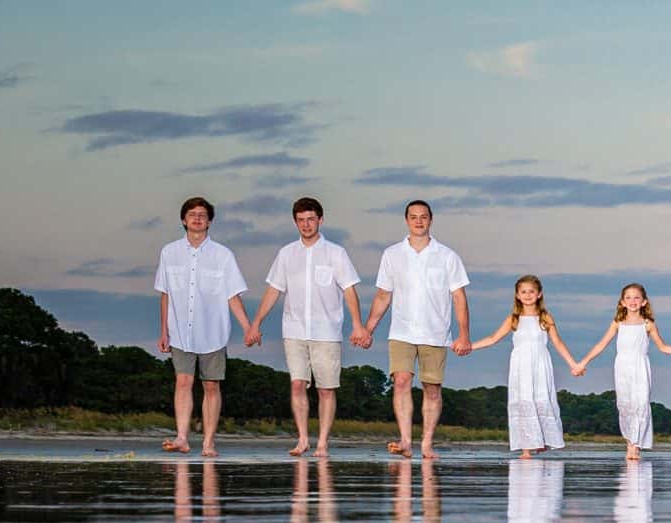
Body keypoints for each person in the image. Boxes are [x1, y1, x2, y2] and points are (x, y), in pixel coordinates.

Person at [246, 197, 363, 457]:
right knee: (297, 384)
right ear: (295, 222)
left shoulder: (335, 253)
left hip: (326, 331)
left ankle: (322, 442)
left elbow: (349, 290)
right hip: (294, 330)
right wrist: (256, 323)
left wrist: (358, 325)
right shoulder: (287, 254)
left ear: (320, 220)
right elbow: (274, 290)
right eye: (301, 220)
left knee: (325, 388)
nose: (306, 225)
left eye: (311, 219)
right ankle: (302, 439)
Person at [359, 200, 471, 459]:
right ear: (406, 220)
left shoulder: (447, 256)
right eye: (413, 216)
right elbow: (383, 295)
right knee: (401, 381)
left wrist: (464, 334)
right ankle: (406, 441)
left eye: (423, 216)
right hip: (401, 332)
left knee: (432, 388)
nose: (418, 221)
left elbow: (459, 298)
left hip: (435, 332)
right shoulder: (392, 254)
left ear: (431, 220)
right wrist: (368, 329)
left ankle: (427, 443)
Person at [152, 196, 250, 457]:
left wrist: (248, 327)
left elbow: (233, 295)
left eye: (202, 215)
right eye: (192, 214)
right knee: (183, 381)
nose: (197, 218)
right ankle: (182, 437)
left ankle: (208, 442)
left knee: (211, 385)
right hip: (179, 331)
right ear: (184, 220)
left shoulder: (223, 255)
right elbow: (165, 293)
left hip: (213, 331)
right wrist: (163, 330)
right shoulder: (169, 252)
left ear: (209, 222)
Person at [467, 275, 579, 456]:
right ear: (517, 295)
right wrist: (469, 346)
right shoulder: (514, 318)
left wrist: (574, 364)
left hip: (540, 364)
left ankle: (542, 440)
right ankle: (527, 448)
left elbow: (558, 343)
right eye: (523, 292)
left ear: (539, 294)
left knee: (541, 398)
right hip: (520, 365)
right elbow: (493, 338)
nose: (527, 295)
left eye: (531, 291)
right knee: (524, 399)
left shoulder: (545, 317)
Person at [572, 283, 671, 462]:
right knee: (625, 405)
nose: (632, 301)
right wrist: (583, 363)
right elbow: (601, 344)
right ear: (622, 302)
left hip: (640, 367)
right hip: (622, 367)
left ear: (644, 302)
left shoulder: (648, 324)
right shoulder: (618, 323)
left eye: (637, 297)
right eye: (628, 297)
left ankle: (635, 447)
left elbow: (662, 347)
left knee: (641, 403)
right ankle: (630, 442)